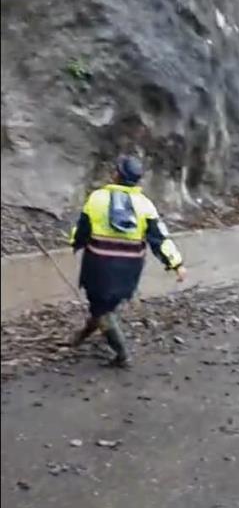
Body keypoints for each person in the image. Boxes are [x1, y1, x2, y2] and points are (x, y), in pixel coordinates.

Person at [70, 155, 186, 367]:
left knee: (101, 308)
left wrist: (75, 243)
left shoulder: (97, 198)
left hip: (98, 268)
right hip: (129, 271)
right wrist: (176, 263)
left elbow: (83, 230)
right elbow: (159, 238)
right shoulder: (145, 205)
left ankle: (122, 353)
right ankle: (82, 335)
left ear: (116, 174)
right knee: (106, 306)